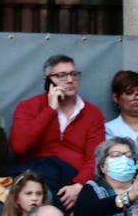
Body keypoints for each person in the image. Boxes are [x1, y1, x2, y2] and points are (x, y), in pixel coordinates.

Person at [11, 54, 106, 203]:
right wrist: (50, 110)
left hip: (72, 178)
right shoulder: (28, 106)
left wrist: (79, 184)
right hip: (36, 177)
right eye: (61, 75)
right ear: (47, 81)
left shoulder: (93, 114)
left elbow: (95, 157)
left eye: (74, 74)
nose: (69, 80)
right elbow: (19, 147)